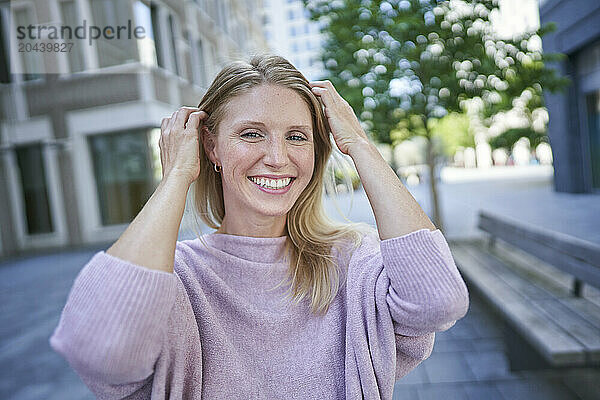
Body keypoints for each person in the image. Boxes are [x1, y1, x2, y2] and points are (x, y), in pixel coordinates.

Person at [49, 54, 469, 399]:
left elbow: (440, 301)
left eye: (297, 137)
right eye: (251, 134)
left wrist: (358, 144)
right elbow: (98, 351)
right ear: (210, 145)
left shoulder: (352, 258)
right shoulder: (173, 278)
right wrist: (177, 174)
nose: (277, 157)